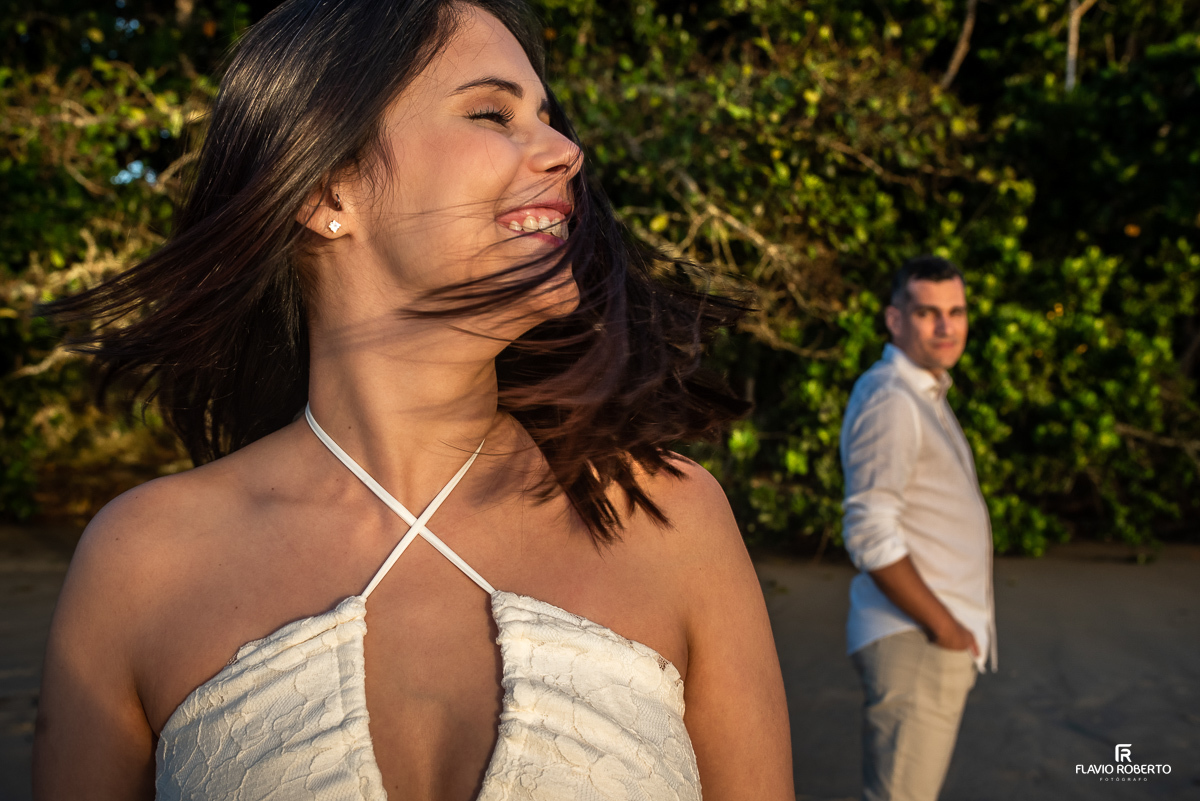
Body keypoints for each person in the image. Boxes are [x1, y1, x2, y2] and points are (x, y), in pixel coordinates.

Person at [31, 1, 794, 798]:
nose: (567, 150)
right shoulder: (142, 566)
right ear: (329, 187)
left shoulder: (671, 520)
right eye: (493, 112)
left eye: (549, 117)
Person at [838, 255, 996, 801]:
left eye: (956, 311)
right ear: (895, 319)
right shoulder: (891, 398)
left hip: (930, 637)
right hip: (916, 637)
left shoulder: (924, 393)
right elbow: (869, 532)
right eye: (929, 312)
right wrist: (946, 629)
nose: (947, 326)